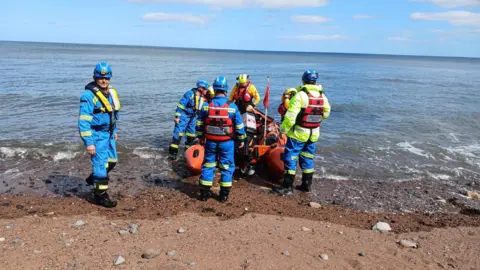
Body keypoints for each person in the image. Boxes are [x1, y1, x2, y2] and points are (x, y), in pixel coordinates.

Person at [273, 69, 331, 196]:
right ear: (315, 81)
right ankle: (306, 185)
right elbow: (326, 114)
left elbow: (290, 116)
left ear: (303, 80)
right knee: (308, 157)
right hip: (314, 133)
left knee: (290, 158)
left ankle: (287, 187)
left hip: (298, 133)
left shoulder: (300, 95)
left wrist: (283, 129)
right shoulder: (322, 96)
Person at [196, 76, 246, 202]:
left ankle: (204, 194)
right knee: (227, 167)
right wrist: (241, 140)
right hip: (227, 143)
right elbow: (240, 127)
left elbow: (199, 124)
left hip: (210, 142)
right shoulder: (232, 107)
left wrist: (201, 137)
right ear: (226, 90)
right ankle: (223, 196)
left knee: (208, 165)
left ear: (214, 89)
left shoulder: (206, 106)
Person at [78, 62, 121, 208]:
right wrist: (89, 142)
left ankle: (93, 178)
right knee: (101, 166)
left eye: (107, 78)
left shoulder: (111, 93)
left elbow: (113, 114)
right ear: (95, 77)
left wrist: (114, 131)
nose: (104, 81)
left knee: (112, 161)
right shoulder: (88, 96)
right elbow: (83, 122)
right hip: (96, 136)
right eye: (100, 78)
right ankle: (100, 196)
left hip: (108, 134)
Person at [168, 80, 209, 160]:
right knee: (178, 135)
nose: (206, 91)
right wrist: (177, 117)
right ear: (201, 88)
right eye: (205, 89)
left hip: (193, 117)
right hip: (184, 116)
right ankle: (172, 155)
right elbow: (181, 105)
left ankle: (187, 153)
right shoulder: (189, 94)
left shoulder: (202, 97)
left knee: (191, 136)